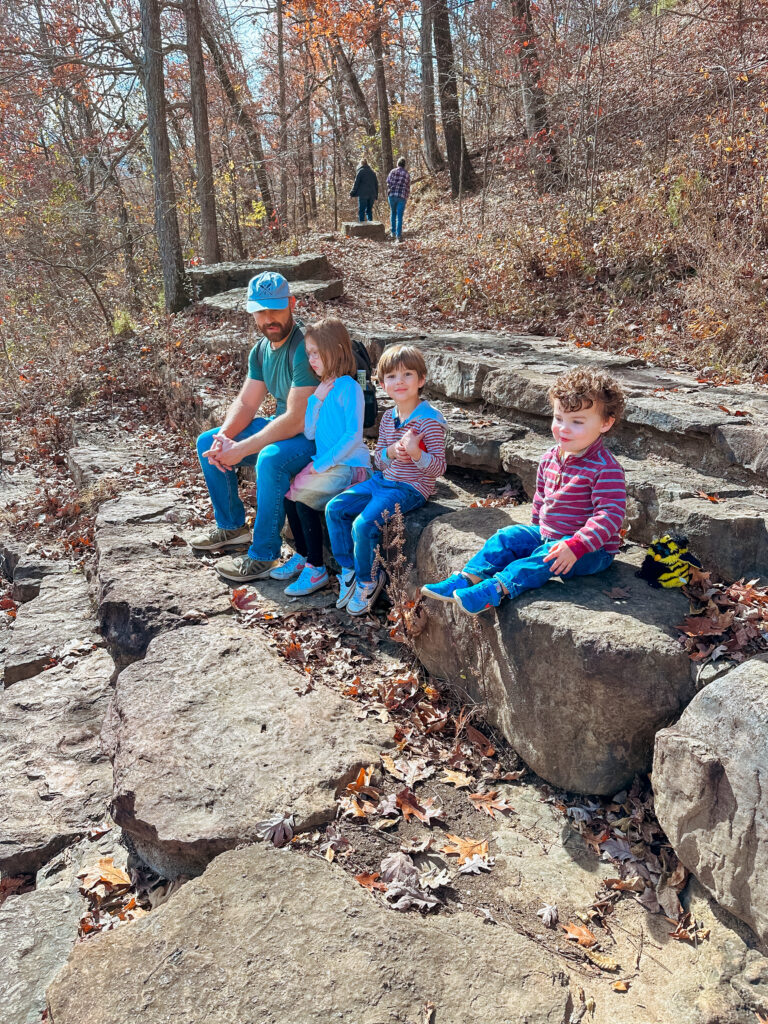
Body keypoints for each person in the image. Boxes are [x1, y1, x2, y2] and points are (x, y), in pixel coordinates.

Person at [422, 366, 627, 615]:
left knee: (545, 557)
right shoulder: (551, 457)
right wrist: (535, 530)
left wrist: (577, 545)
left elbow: (610, 515)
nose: (563, 428)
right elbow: (541, 498)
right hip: (548, 534)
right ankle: (468, 578)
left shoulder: (605, 468)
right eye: (559, 418)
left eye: (577, 422)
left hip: (591, 550)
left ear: (605, 423)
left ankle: (496, 590)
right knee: (507, 536)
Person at [190, 272, 318, 582]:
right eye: (261, 311)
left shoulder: (304, 347)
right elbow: (247, 404)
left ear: (291, 303)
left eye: (275, 309)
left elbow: (298, 419)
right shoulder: (261, 349)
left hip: (315, 435)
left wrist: (243, 448)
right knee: (208, 442)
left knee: (270, 458)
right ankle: (232, 527)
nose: (268, 318)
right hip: (283, 427)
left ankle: (263, 556)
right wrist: (225, 437)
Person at [326, 344, 446, 616]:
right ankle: (349, 570)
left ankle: (369, 580)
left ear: (421, 380)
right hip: (383, 480)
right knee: (335, 508)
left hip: (410, 488)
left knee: (363, 524)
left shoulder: (429, 422)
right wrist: (391, 452)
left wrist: (416, 454)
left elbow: (438, 468)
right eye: (391, 376)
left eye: (407, 375)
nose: (399, 382)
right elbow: (378, 459)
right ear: (382, 383)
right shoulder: (388, 418)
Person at [271, 317, 372, 597]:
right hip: (329, 465)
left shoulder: (349, 387)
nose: (312, 360)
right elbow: (311, 432)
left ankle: (317, 569)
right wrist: (315, 399)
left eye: (316, 353)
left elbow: (353, 438)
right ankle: (304, 556)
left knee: (302, 500)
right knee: (289, 497)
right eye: (309, 354)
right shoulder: (326, 388)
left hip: (351, 466)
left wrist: (321, 464)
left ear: (336, 349)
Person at [386, 157, 410, 243]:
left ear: (398, 164)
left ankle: (392, 232)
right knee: (399, 216)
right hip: (401, 197)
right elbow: (407, 187)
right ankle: (398, 235)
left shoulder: (392, 171)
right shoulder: (406, 174)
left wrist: (389, 190)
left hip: (392, 195)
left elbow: (388, 182)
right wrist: (406, 196)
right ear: (404, 165)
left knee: (393, 213)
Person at [349, 157, 379, 223]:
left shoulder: (360, 172)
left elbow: (356, 184)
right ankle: (371, 226)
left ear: (361, 164)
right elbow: (376, 185)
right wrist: (376, 196)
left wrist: (352, 193)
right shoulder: (373, 173)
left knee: (361, 210)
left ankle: (362, 226)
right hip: (372, 194)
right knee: (369, 211)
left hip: (363, 194)